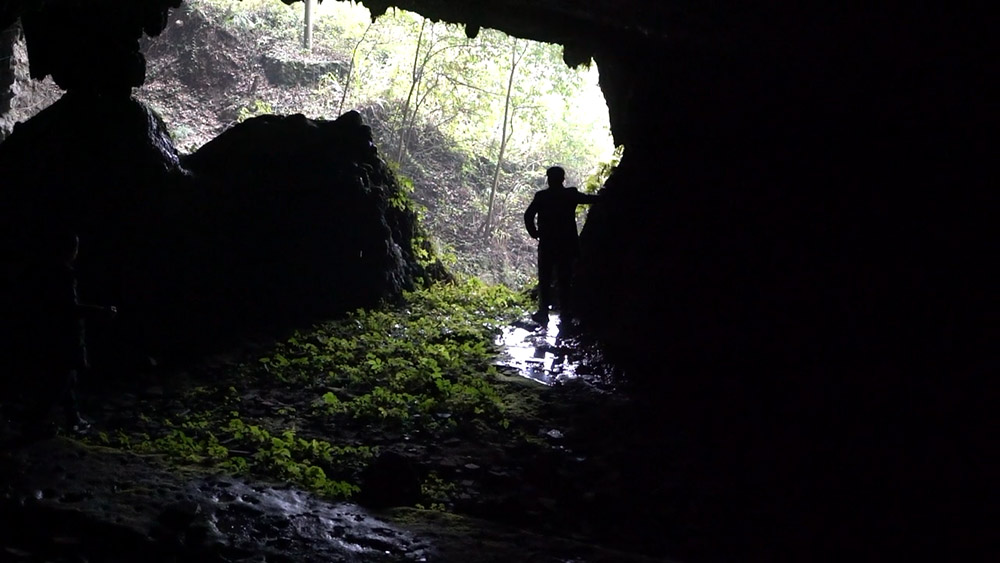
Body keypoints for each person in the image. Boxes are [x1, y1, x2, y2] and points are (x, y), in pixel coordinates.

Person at [23, 231, 116, 437]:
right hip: (64, 336)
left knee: (66, 377)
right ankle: (34, 423)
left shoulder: (46, 273)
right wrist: (101, 311)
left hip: (53, 334)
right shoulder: (63, 274)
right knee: (61, 379)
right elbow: (68, 308)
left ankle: (73, 418)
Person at [523, 166, 600, 324]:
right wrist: (605, 195)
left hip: (547, 243)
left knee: (545, 278)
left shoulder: (542, 196)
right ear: (563, 179)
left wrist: (534, 232)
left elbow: (528, 215)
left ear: (548, 179)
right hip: (567, 244)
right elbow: (589, 199)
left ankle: (543, 312)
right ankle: (565, 312)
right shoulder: (570, 194)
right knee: (564, 278)